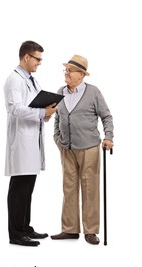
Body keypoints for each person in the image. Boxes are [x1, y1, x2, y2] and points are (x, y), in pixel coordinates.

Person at [51, 55, 114, 245]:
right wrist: (58, 139)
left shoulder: (93, 92)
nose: (67, 73)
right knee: (68, 188)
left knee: (90, 189)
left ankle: (91, 230)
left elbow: (106, 117)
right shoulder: (60, 92)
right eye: (66, 70)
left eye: (70, 70)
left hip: (89, 148)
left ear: (81, 74)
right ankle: (70, 230)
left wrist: (108, 137)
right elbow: (57, 117)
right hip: (67, 149)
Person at [3, 40, 56, 246]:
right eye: (38, 59)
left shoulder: (32, 80)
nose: (39, 63)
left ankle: (25, 227)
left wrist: (47, 111)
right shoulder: (14, 80)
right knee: (19, 189)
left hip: (33, 140)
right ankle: (16, 234)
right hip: (22, 143)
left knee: (28, 189)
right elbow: (14, 109)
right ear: (27, 57)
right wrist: (42, 112)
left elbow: (33, 105)